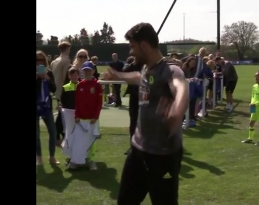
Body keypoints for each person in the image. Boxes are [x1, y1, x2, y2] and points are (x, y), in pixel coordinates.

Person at [106, 22, 188, 205]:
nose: (131, 52)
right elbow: (139, 78)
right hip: (138, 151)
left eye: (132, 47)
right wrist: (119, 76)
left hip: (163, 157)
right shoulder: (146, 69)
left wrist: (176, 111)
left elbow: (181, 88)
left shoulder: (170, 70)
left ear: (144, 46)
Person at [73, 61, 103, 170]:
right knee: (80, 140)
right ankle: (79, 160)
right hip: (81, 118)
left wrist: (95, 116)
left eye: (89, 70)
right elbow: (77, 102)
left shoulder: (97, 85)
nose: (87, 73)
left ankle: (91, 160)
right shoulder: (80, 85)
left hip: (92, 119)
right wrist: (76, 115)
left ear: (93, 71)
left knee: (92, 141)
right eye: (85, 70)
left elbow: (99, 103)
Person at [36, 50, 59, 165]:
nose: (39, 62)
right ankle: (39, 157)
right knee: (37, 134)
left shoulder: (49, 72)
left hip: (46, 106)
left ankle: (52, 156)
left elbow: (54, 89)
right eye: (37, 60)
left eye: (41, 60)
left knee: (53, 131)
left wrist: (47, 78)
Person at [50, 41, 71, 145]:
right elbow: (66, 77)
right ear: (67, 49)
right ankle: (57, 135)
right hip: (64, 90)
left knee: (61, 113)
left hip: (56, 90)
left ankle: (60, 135)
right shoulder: (66, 60)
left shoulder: (54, 61)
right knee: (62, 115)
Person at [242, 72, 259, 146]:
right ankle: (250, 138)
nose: (257, 80)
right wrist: (251, 103)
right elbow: (253, 96)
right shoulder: (254, 86)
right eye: (256, 79)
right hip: (253, 107)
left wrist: (256, 103)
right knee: (251, 123)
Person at [122, 57, 143, 155]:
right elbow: (124, 71)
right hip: (134, 97)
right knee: (133, 122)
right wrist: (134, 62)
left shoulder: (149, 62)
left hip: (147, 97)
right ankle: (133, 147)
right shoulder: (132, 62)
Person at [59, 67, 80, 165]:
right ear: (69, 76)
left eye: (76, 75)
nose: (74, 77)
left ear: (78, 75)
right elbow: (63, 101)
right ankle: (69, 156)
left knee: (79, 135)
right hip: (68, 113)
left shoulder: (81, 86)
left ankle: (78, 156)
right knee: (69, 134)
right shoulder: (65, 87)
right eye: (72, 75)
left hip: (80, 113)